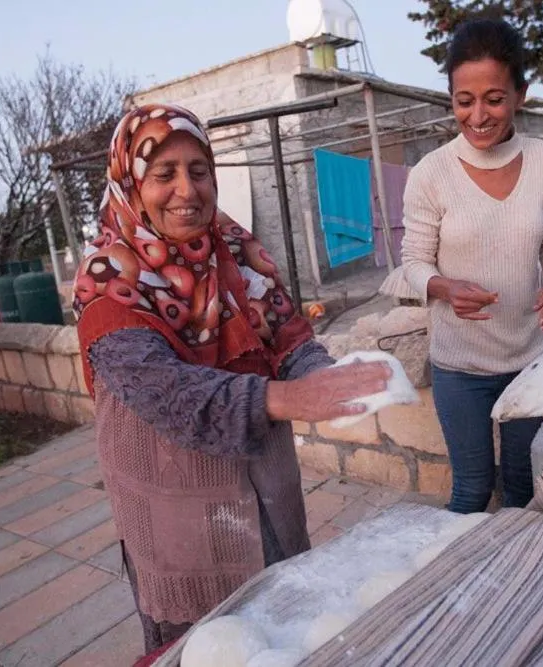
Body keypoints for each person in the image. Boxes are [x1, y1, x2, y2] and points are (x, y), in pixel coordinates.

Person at [73, 104, 390, 653]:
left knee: (287, 631)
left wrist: (329, 380)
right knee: (210, 646)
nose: (187, 190)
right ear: (130, 182)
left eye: (199, 170)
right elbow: (169, 394)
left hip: (266, 494)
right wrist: (287, 397)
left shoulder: (236, 254)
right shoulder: (108, 282)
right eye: (163, 174)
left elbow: (290, 337)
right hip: (179, 512)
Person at [400, 18, 543, 514]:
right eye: (464, 101)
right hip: (461, 365)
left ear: (521, 94)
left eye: (494, 99)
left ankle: (518, 587)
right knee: (472, 491)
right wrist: (442, 287)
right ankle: (463, 590)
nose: (478, 116)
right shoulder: (431, 173)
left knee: (524, 490)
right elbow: (412, 261)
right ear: (452, 98)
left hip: (531, 357)